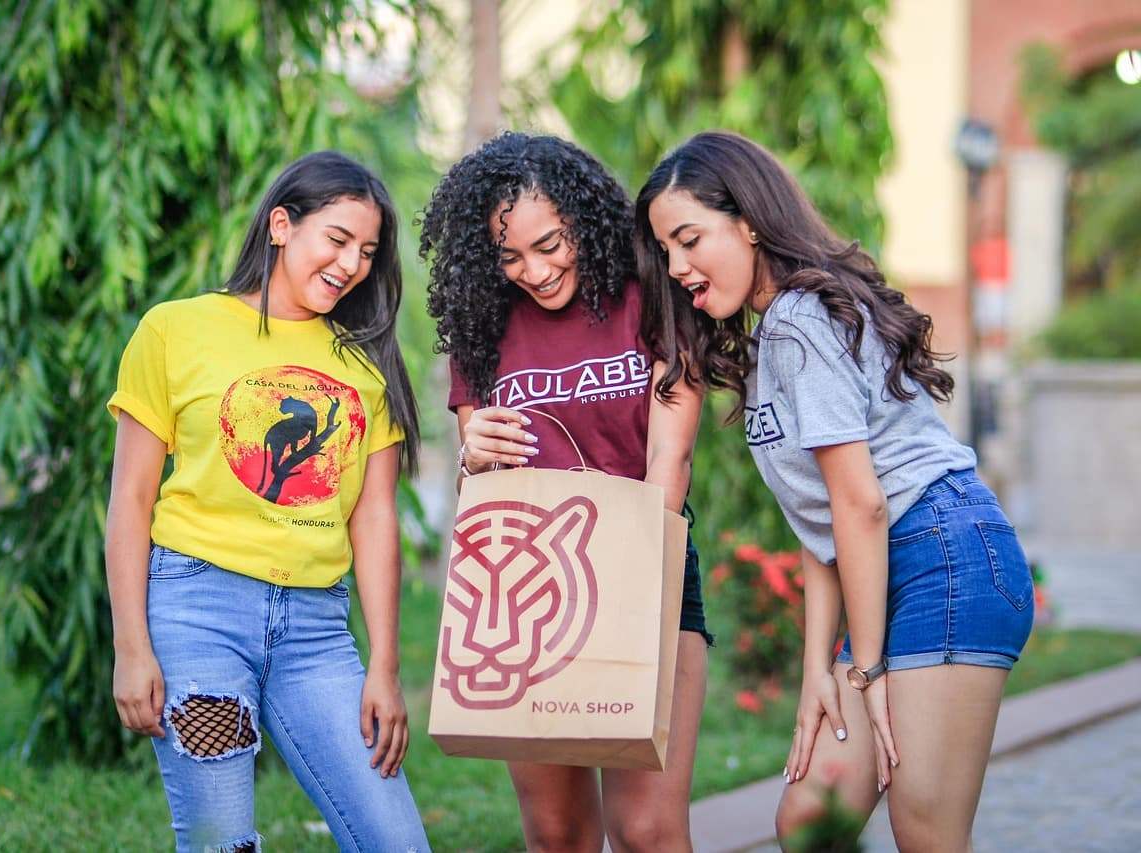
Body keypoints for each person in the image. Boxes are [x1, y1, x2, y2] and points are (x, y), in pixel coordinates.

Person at [635, 130, 1035, 851]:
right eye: (666, 251)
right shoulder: (773, 339)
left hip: (943, 558)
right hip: (888, 567)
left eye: (689, 240)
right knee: (809, 820)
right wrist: (819, 670)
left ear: (749, 221)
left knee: (927, 831)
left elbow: (862, 503)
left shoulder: (799, 322)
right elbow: (822, 522)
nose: (677, 267)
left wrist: (867, 665)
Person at [104, 151, 430, 853]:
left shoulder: (365, 364)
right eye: (337, 239)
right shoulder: (175, 329)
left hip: (317, 632)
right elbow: (129, 498)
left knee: (397, 842)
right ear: (282, 225)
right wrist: (131, 645)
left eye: (367, 251)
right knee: (224, 844)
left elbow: (374, 518)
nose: (352, 264)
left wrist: (384, 665)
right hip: (198, 615)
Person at [419, 131, 713, 853]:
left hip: (646, 564)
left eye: (550, 244)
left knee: (645, 829)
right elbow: (480, 484)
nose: (535, 271)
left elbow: (670, 457)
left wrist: (632, 586)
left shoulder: (650, 296)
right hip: (525, 593)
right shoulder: (483, 325)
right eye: (509, 256)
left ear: (584, 218)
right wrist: (472, 453)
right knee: (557, 834)